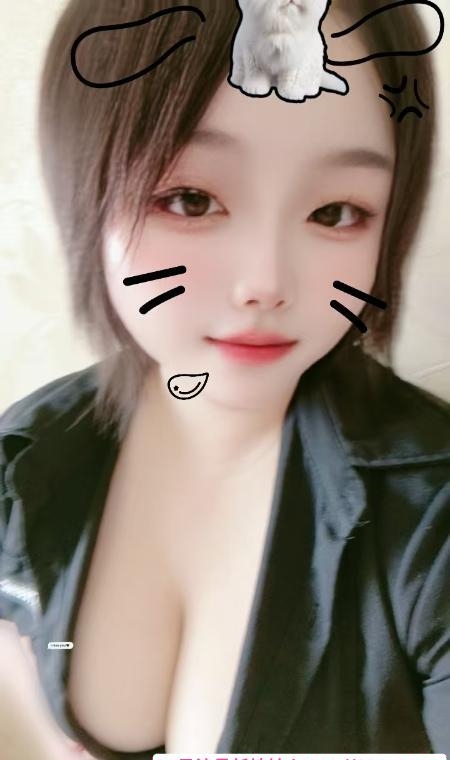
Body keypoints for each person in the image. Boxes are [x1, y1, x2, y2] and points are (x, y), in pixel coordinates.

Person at [1, 0, 449, 758]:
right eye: (192, 200)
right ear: (85, 187)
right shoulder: (24, 455)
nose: (266, 283)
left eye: (336, 212)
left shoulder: (430, 513)